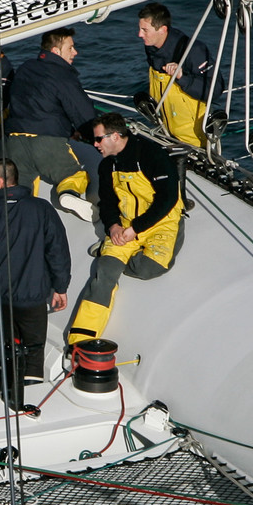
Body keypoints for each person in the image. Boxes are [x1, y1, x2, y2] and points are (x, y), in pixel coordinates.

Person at [67, 113, 184, 345]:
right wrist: (113, 226)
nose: (95, 144)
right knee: (104, 273)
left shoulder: (151, 155)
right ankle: (81, 341)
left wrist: (137, 229)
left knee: (150, 268)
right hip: (124, 226)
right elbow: (107, 203)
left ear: (116, 137)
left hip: (161, 223)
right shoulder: (107, 166)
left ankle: (111, 253)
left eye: (98, 139)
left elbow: (168, 198)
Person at [0, 159, 70, 396]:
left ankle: (2, 392)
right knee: (34, 351)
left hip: (1, 299)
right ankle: (28, 399)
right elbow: (57, 251)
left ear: (0, 182)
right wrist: (60, 287)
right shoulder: (42, 209)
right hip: (33, 299)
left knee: (10, 346)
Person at [2, 28, 94, 219]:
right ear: (56, 51)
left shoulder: (25, 67)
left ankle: (18, 217)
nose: (75, 52)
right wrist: (92, 136)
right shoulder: (63, 75)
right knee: (75, 175)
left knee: (21, 189)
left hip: (15, 141)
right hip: (47, 143)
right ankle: (68, 193)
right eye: (70, 48)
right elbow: (83, 113)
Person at [135, 2, 215, 147]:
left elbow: (214, 89)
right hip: (166, 133)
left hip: (195, 140)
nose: (140, 34)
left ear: (162, 30)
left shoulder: (193, 51)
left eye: (145, 30)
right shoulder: (151, 48)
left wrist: (182, 77)